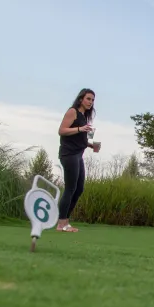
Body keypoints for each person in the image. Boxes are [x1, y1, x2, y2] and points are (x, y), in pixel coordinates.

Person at [55, 88, 102, 232]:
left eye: (93, 100)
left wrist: (90, 145)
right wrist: (80, 129)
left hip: (78, 154)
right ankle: (61, 224)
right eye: (88, 99)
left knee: (79, 188)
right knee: (70, 188)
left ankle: (66, 222)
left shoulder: (83, 117)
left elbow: (78, 139)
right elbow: (61, 131)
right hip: (68, 155)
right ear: (81, 99)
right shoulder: (73, 111)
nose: (91, 102)